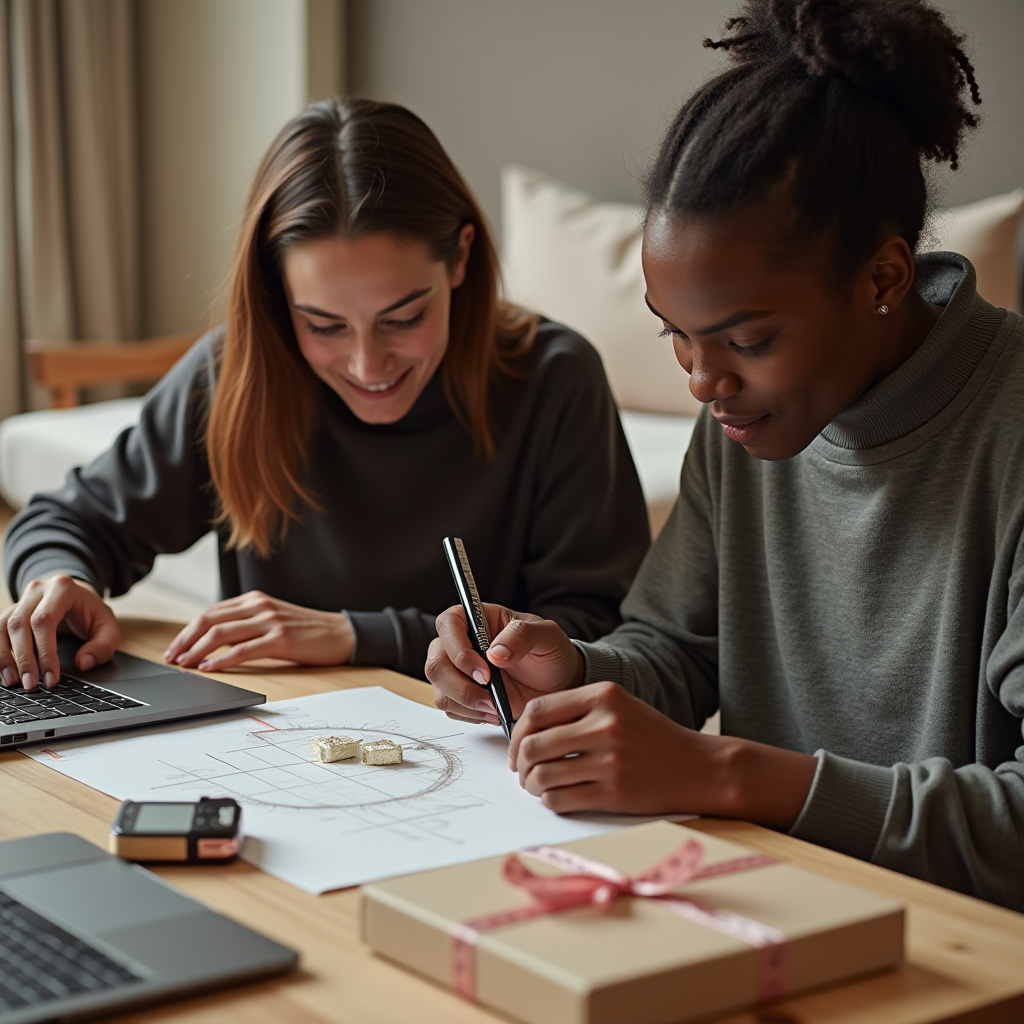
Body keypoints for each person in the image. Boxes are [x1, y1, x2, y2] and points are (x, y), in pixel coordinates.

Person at [427, 0, 1024, 911]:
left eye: (745, 339)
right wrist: (574, 671)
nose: (704, 381)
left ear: (883, 278)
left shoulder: (1008, 433)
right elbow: (675, 650)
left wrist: (729, 773)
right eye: (678, 336)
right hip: (765, 908)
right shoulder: (745, 422)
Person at [1, 98, 649, 691]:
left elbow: (588, 632)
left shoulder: (556, 379)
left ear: (459, 258)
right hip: (278, 740)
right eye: (323, 325)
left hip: (489, 753)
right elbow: (70, 521)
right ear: (278, 297)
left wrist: (353, 634)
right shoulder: (235, 374)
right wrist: (60, 580)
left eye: (402, 318)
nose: (369, 364)